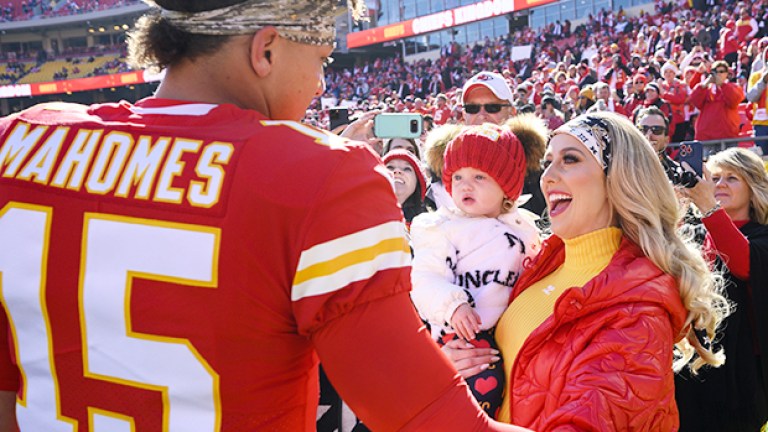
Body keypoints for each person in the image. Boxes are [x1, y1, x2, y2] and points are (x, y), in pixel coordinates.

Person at [0, 1, 532, 431]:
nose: (322, 85)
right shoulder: (320, 175)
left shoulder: (20, 141)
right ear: (267, 49)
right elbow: (426, 419)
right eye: (322, 58)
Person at [443, 112, 730, 430]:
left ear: (616, 179)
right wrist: (458, 361)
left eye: (570, 158)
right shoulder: (540, 263)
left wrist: (442, 412)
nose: (547, 175)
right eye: (549, 161)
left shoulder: (638, 310)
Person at [410, 124, 541, 419]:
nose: (465, 185)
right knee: (473, 401)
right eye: (457, 177)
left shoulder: (524, 229)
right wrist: (453, 305)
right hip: (460, 335)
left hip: (506, 338)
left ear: (506, 185)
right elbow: (424, 277)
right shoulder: (442, 226)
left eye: (479, 176)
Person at [677, 147, 768, 432]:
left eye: (732, 178)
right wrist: (676, 208)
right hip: (691, 363)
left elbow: (744, 263)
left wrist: (708, 208)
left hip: (740, 376)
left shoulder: (762, 234)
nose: (720, 185)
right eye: (714, 178)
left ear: (752, 188)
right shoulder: (696, 230)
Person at [689, 61, 745, 141]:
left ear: (727, 74)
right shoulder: (705, 89)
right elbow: (695, 102)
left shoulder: (734, 87)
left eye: (721, 71)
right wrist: (703, 86)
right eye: (715, 71)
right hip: (705, 136)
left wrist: (722, 85)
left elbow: (734, 101)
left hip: (727, 136)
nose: (718, 74)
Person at [383, 149, 428, 228]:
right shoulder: (363, 219)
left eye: (407, 168)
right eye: (390, 167)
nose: (397, 171)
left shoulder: (430, 226)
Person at [747, 46, 768, 154]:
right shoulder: (757, 76)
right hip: (761, 124)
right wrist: (763, 81)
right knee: (763, 159)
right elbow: (751, 97)